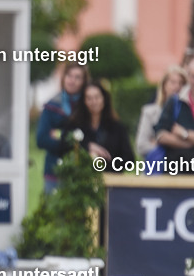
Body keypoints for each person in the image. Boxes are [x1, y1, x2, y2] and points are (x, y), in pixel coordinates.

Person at [36, 63, 88, 194]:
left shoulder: (88, 105)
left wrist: (59, 137)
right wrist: (72, 144)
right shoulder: (52, 105)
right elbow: (41, 139)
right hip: (54, 171)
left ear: (84, 81)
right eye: (69, 76)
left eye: (78, 77)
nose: (72, 80)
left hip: (81, 172)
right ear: (63, 78)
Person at [66, 81, 135, 170]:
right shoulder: (75, 124)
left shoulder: (117, 127)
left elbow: (129, 160)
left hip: (111, 180)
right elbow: (64, 146)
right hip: (82, 179)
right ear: (83, 101)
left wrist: (104, 163)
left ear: (104, 99)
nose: (94, 102)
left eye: (97, 97)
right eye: (89, 98)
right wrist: (88, 146)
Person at [135, 65, 187, 158]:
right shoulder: (150, 112)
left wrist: (161, 142)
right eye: (173, 82)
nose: (177, 87)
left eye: (181, 83)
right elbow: (141, 146)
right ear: (164, 85)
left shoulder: (189, 113)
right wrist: (169, 146)